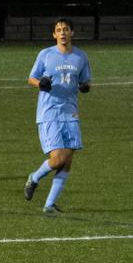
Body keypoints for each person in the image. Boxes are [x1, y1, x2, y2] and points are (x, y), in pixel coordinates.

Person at [24, 18, 92, 214]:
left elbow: (86, 80)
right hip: (49, 112)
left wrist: (85, 87)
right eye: (58, 30)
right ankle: (34, 178)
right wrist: (40, 84)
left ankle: (49, 205)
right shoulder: (45, 54)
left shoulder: (80, 56)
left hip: (70, 112)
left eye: (66, 29)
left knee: (68, 160)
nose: (62, 33)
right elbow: (31, 78)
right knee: (58, 159)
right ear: (54, 35)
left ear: (72, 33)